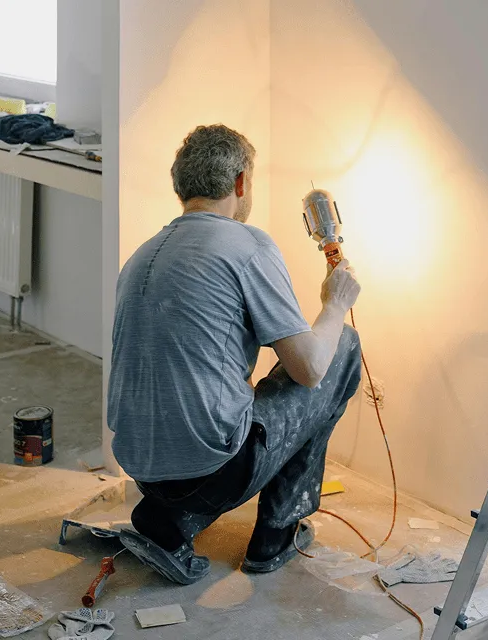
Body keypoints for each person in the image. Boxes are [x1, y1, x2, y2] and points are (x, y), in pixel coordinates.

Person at [107, 124, 362, 585]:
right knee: (340, 347)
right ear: (241, 182)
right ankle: (276, 536)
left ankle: (169, 520)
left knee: (228, 394)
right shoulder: (247, 245)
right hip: (214, 471)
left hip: (141, 468)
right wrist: (335, 304)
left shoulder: (142, 255)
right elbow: (309, 368)